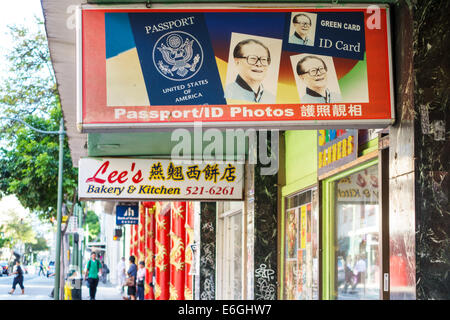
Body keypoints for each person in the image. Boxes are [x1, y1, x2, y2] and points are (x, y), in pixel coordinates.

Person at [225, 39, 276, 103]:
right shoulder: (226, 93)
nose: (259, 64)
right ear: (237, 62)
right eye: (252, 58)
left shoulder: (272, 99)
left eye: (263, 59)